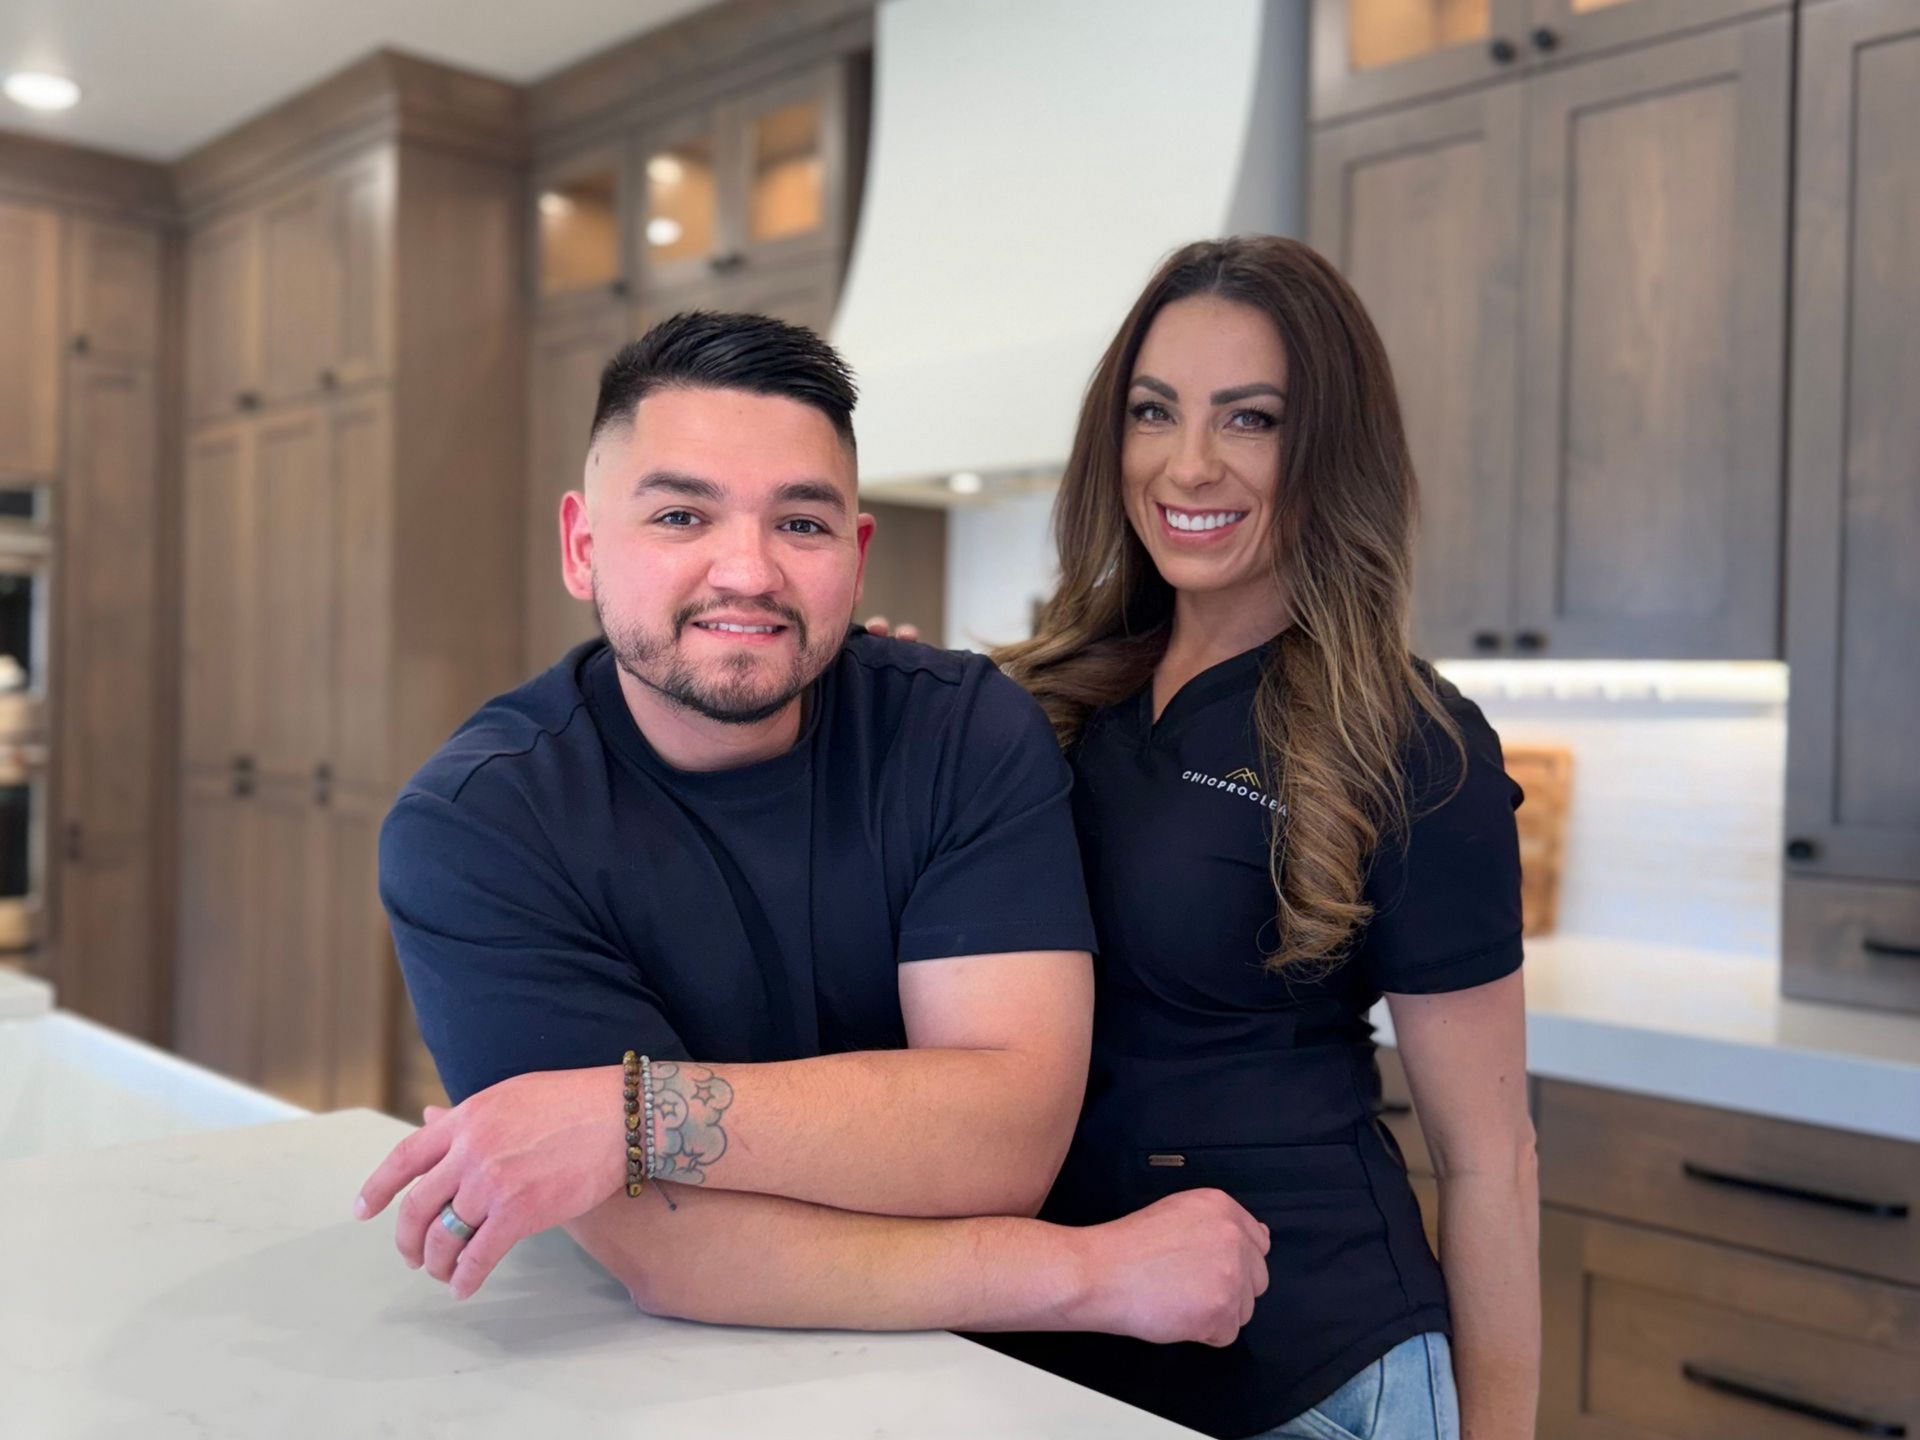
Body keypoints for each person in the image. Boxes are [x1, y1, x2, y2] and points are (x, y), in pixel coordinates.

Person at [354, 311, 1270, 1349]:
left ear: (856, 552)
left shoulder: (959, 729)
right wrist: (1085, 1275)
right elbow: (674, 1247)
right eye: (680, 518)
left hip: (983, 1383)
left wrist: (632, 1120)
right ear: (582, 546)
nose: (748, 572)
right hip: (658, 1380)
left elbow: (1007, 1141)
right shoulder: (477, 831)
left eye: (800, 523)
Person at [966, 236, 1539, 1440]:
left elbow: (1491, 1163)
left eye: (1251, 418)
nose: (1189, 462)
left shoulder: (1412, 740)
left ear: (1328, 447)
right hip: (1044, 1348)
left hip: (1312, 1377)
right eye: (1154, 411)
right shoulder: (1041, 701)